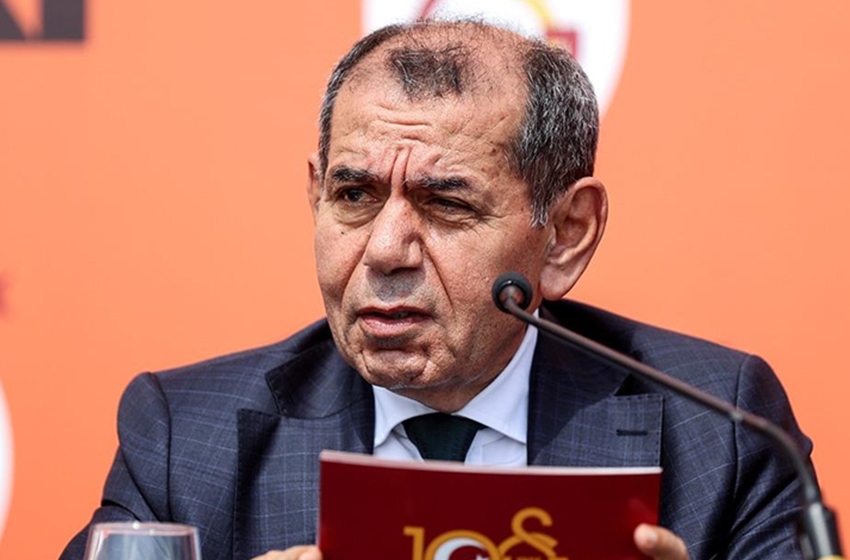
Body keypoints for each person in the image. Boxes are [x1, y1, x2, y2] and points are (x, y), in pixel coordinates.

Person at [60, 20, 812, 560]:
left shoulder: (721, 431)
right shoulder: (186, 440)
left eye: (447, 204)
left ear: (567, 233)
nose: (385, 250)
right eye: (354, 195)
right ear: (316, 195)